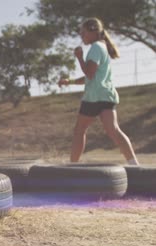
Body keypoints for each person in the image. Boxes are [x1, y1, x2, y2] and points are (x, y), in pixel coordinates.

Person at [58, 17, 138, 165]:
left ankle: (72, 166)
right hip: (106, 95)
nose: (82, 37)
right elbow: (91, 76)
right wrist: (69, 81)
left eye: (83, 33)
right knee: (114, 130)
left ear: (93, 30)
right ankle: (134, 164)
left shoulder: (95, 47)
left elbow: (89, 73)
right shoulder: (102, 47)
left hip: (93, 97)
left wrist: (80, 57)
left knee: (79, 130)